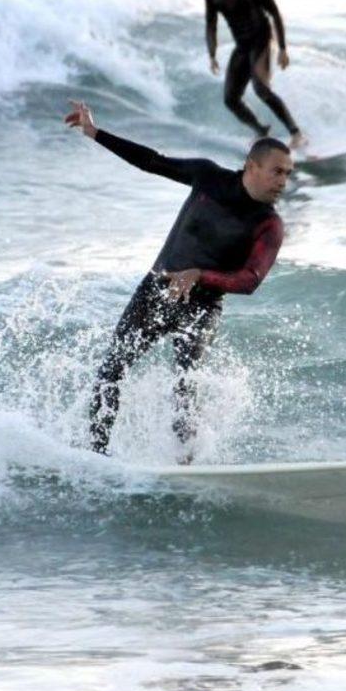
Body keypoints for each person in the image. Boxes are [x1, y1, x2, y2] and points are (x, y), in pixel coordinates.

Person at [64, 100, 293, 460]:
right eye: (277, 172)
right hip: (156, 292)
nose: (283, 181)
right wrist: (95, 132)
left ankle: (185, 464)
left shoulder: (269, 225)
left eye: (287, 175)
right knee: (111, 370)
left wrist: (200, 276)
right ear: (252, 166)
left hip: (202, 308)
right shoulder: (208, 176)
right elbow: (152, 161)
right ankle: (97, 455)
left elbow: (250, 280)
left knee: (185, 387)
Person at [205, 0, 308, 150]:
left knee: (261, 89)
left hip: (261, 38)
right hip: (242, 45)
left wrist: (282, 48)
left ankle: (297, 133)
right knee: (230, 99)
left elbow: (274, 12)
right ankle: (261, 131)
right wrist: (212, 55)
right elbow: (211, 25)